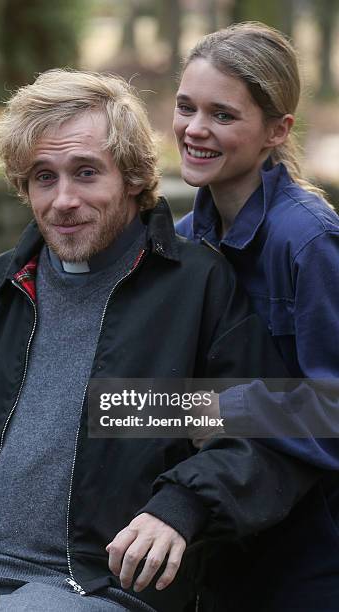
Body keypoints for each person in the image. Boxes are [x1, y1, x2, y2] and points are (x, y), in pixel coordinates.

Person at [0, 69, 316, 612]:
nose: (63, 200)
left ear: (133, 176)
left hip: (90, 587)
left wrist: (182, 504)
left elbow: (266, 425)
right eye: (44, 177)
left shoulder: (196, 288)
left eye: (86, 173)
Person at [175, 22, 339, 611]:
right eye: (185, 107)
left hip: (311, 557)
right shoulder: (183, 239)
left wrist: (211, 408)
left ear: (277, 130)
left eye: (222, 114)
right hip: (215, 541)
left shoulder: (310, 242)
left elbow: (334, 403)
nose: (194, 129)